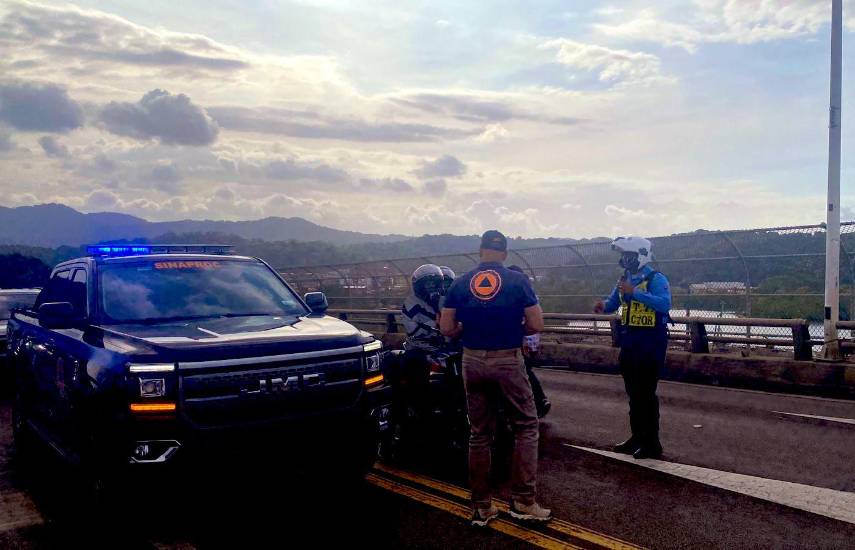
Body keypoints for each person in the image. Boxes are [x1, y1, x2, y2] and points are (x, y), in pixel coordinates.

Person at [441, 230, 552, 527]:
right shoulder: (517, 281)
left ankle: (481, 506)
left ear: (480, 251)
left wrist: (469, 330)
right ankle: (523, 501)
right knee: (526, 427)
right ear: (504, 253)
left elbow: (447, 328)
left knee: (479, 433)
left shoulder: (460, 283)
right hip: (507, 359)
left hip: (472, 359)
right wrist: (515, 331)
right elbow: (536, 323)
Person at [594, 236, 671, 460]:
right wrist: (602, 306)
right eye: (623, 256)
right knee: (633, 392)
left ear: (640, 255)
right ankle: (637, 437)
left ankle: (652, 443)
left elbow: (664, 304)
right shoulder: (624, 279)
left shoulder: (656, 278)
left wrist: (635, 292)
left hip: (651, 341)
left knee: (646, 392)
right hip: (630, 340)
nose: (624, 260)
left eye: (628, 256)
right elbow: (613, 303)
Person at [507, 265, 550, 418]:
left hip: (522, 341)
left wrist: (523, 340)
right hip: (527, 341)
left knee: (523, 373)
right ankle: (536, 402)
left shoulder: (518, 295)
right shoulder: (527, 293)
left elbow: (528, 322)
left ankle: (537, 402)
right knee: (523, 372)